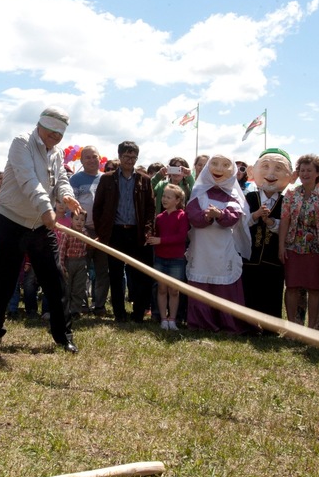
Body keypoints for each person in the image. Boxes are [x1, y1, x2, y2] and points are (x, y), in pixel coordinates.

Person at [0, 106, 81, 353]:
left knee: (55, 280)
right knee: (3, 282)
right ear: (41, 126)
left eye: (60, 134)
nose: (56, 138)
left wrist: (67, 196)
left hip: (40, 225)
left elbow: (60, 180)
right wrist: (46, 208)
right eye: (52, 132)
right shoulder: (21, 143)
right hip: (11, 221)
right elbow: (28, 179)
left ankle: (63, 335)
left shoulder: (56, 153)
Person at [184, 154, 254, 333]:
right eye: (214, 164)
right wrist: (206, 216)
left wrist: (220, 215)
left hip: (223, 247)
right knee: (201, 282)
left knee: (225, 283)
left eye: (225, 165)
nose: (219, 169)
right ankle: (201, 321)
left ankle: (228, 323)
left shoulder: (233, 195)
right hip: (202, 248)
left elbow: (233, 218)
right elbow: (191, 214)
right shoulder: (199, 192)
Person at [93, 140, 156, 323]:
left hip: (137, 233)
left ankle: (138, 314)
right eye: (127, 156)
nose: (130, 160)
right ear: (119, 156)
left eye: (133, 156)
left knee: (139, 274)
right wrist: (103, 231)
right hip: (115, 233)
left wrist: (148, 230)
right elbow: (98, 208)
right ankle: (119, 314)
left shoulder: (144, 180)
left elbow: (151, 208)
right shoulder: (107, 179)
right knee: (115, 274)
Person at [278, 153, 319, 328]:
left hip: (317, 248)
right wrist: (281, 246)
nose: (305, 173)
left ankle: (312, 328)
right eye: (302, 170)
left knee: (314, 289)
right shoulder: (291, 194)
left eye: (309, 170)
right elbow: (284, 220)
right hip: (293, 246)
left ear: (318, 173)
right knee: (291, 287)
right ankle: (292, 327)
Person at [242, 148, 293, 320]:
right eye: (265, 167)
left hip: (273, 256)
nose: (271, 174)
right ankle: (248, 322)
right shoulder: (249, 198)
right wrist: (255, 216)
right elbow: (241, 223)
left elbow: (289, 227)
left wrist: (271, 222)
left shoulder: (286, 201)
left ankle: (270, 325)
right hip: (251, 254)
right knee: (250, 287)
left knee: (272, 288)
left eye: (278, 169)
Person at [68, 145, 110, 315]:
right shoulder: (75, 180)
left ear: (100, 158)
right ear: (81, 160)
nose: (92, 160)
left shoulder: (107, 179)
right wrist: (82, 232)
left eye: (94, 156)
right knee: (80, 271)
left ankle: (99, 305)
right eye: (88, 157)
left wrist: (101, 233)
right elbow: (72, 208)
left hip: (102, 232)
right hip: (81, 232)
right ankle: (82, 304)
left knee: (102, 271)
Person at [146, 183, 189, 330]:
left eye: (168, 197)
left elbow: (181, 237)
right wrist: (150, 237)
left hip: (176, 259)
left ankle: (173, 319)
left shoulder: (182, 216)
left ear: (177, 200)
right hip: (160, 257)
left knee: (174, 290)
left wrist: (160, 241)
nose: (164, 199)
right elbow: (156, 235)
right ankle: (163, 319)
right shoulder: (159, 217)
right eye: (163, 196)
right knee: (161, 289)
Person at [58, 209, 89, 318]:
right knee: (67, 288)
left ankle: (75, 311)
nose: (79, 222)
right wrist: (61, 266)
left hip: (81, 263)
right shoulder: (66, 233)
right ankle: (65, 310)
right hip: (69, 262)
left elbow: (87, 248)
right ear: (71, 220)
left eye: (82, 220)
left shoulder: (85, 233)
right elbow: (61, 251)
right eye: (76, 219)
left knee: (79, 288)